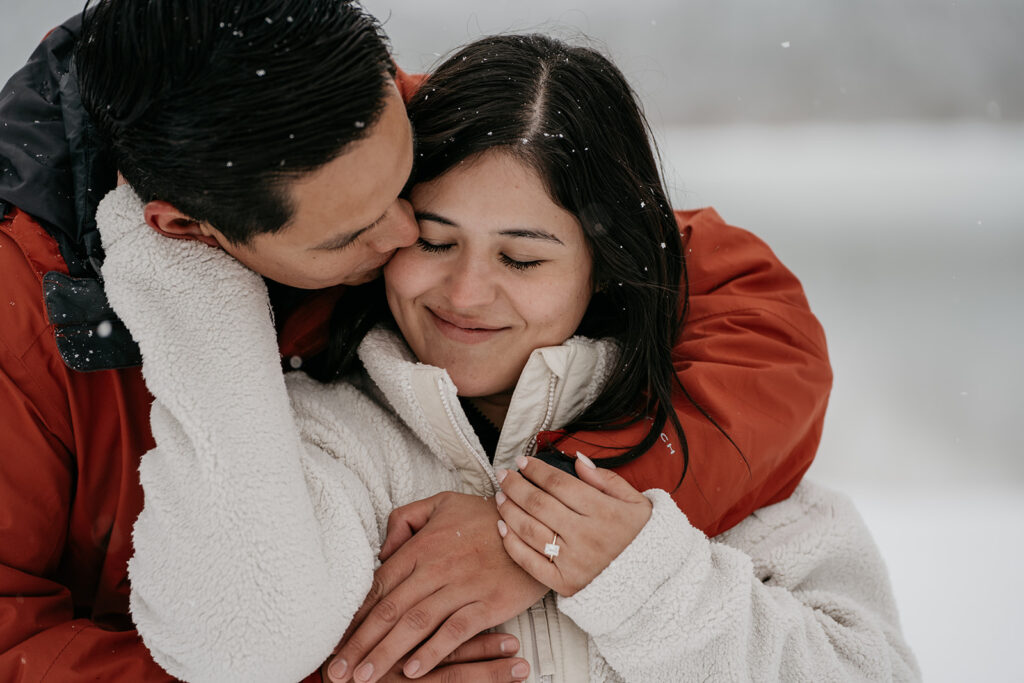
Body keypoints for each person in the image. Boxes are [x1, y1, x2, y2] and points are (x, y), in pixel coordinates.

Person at [0, 2, 829, 681]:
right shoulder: (22, 328)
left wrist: (546, 525)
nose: (406, 236)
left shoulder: (351, 112)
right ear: (190, 232)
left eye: (405, 182)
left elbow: (754, 317)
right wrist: (338, 675)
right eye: (364, 232)